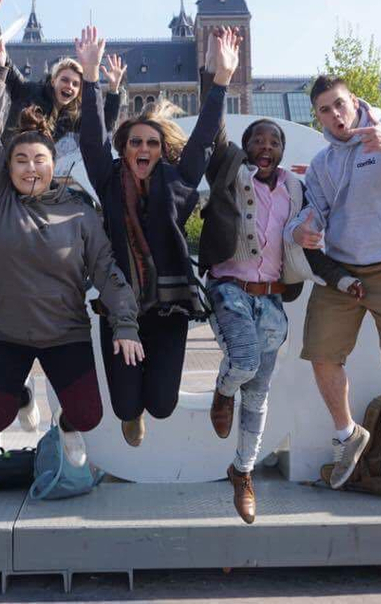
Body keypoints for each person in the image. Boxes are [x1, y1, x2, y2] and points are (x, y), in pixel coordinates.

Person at [196, 46, 355, 523]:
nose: (266, 147)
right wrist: (219, 77)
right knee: (241, 363)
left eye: (274, 142)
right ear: (246, 147)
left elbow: (305, 244)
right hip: (228, 289)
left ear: (283, 150)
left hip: (272, 302)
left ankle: (241, 470)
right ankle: (223, 392)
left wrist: (340, 277)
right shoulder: (228, 170)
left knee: (260, 394)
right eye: (258, 141)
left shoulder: (294, 188)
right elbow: (213, 129)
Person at [0, 35, 143, 467]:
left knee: (88, 414)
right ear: (7, 168)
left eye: (39, 160)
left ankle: (63, 427)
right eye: (21, 160)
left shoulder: (80, 213)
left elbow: (107, 273)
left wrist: (125, 324)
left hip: (65, 332)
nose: (31, 167)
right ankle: (23, 395)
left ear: (54, 165)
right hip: (4, 333)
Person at [74, 25, 238, 446]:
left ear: (161, 150)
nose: (142, 148)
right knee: (127, 407)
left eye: (151, 142)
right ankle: (132, 414)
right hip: (120, 307)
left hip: (169, 309)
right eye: (134, 142)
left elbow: (202, 139)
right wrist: (90, 77)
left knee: (162, 405)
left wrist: (221, 80)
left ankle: (148, 404)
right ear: (125, 149)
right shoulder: (109, 180)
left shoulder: (179, 182)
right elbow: (92, 138)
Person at [286, 76, 381, 494]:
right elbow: (311, 211)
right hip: (342, 270)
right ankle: (347, 433)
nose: (335, 115)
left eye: (339, 104)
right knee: (320, 352)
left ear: (355, 102)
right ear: (318, 118)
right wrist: (303, 231)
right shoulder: (322, 164)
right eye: (324, 110)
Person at [0, 0, 121, 175]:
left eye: (76, 84)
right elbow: (2, 57)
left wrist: (115, 90)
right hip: (5, 165)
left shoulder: (70, 116)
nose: (70, 86)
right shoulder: (27, 91)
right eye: (65, 80)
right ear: (53, 81)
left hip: (34, 173)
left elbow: (103, 126)